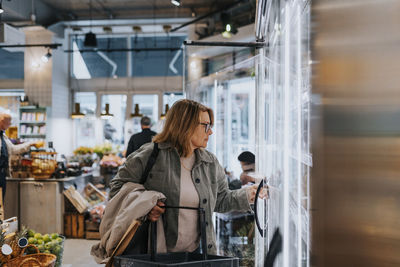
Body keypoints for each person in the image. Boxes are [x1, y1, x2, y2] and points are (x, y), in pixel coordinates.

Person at [109, 99, 260, 255]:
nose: (210, 132)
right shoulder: (150, 155)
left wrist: (249, 194)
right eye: (206, 126)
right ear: (186, 125)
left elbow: (220, 200)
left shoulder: (210, 162)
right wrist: (145, 206)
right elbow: (117, 190)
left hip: (196, 253)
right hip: (150, 253)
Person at [0, 113, 41, 198]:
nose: (10, 124)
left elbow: (13, 149)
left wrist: (30, 144)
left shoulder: (3, 136)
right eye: (9, 122)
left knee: (1, 201)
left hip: (2, 174)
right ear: (2, 121)